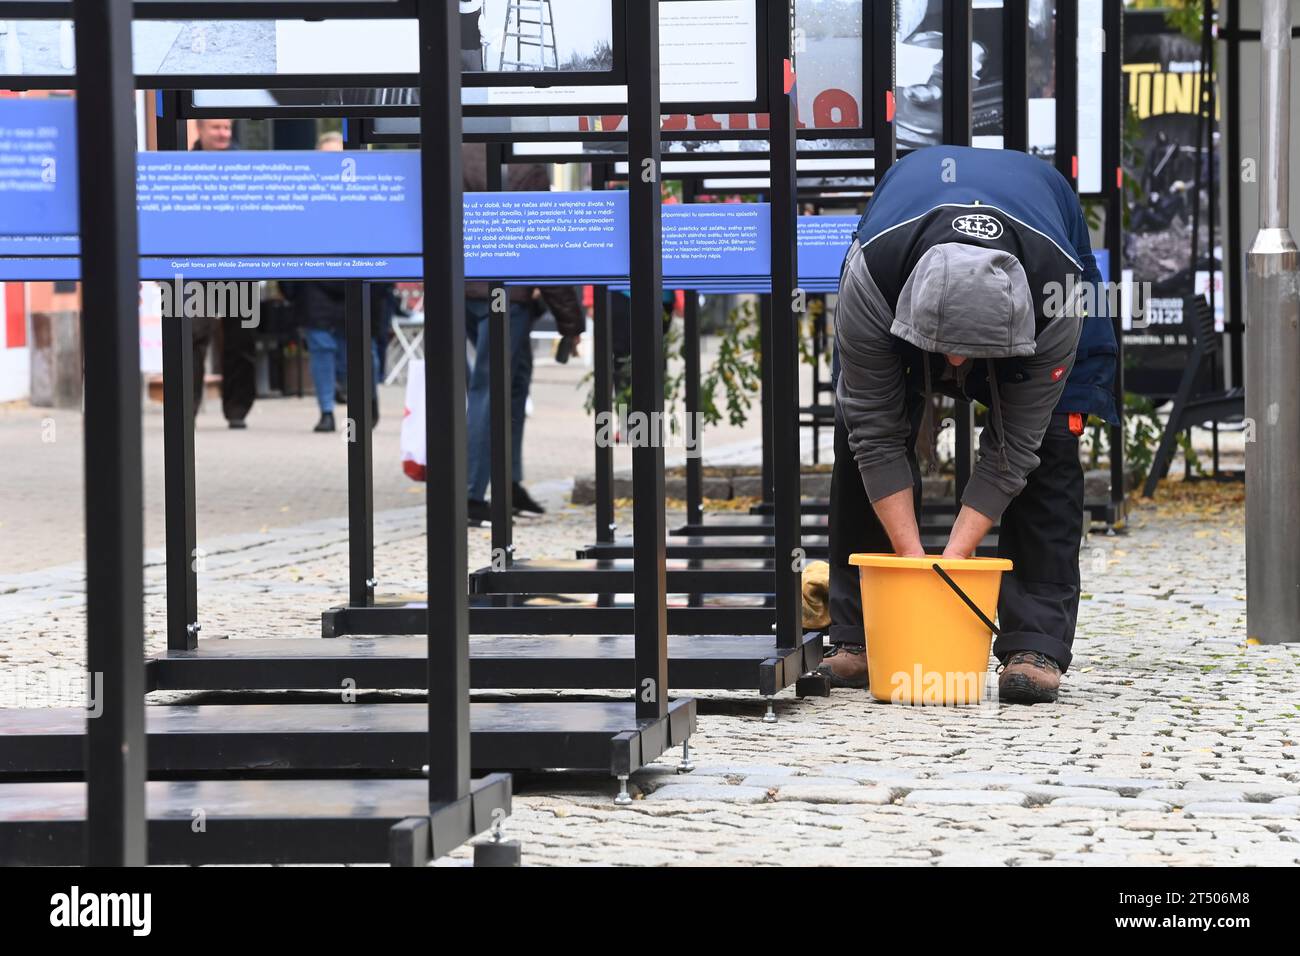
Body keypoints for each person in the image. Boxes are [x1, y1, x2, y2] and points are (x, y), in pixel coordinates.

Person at [818, 145, 1118, 704]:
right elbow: (876, 435)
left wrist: (952, 566)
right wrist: (913, 569)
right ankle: (859, 633)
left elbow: (1013, 449)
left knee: (1051, 438)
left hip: (1043, 255)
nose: (956, 371)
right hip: (898, 264)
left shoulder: (1059, 296)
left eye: (970, 357)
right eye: (946, 355)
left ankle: (1035, 643)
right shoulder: (872, 277)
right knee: (856, 427)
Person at [462, 143, 585, 527]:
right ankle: (471, 494)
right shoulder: (525, 162)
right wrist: (571, 323)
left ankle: (508, 482)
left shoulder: (455, 148)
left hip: (462, 289)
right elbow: (541, 242)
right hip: (506, 295)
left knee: (513, 383)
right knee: (490, 387)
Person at [189, 118, 257, 428]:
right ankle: (184, 409)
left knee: (240, 344)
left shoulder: (245, 167)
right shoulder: (181, 168)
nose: (222, 134)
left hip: (238, 267)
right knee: (189, 340)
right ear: (200, 130)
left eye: (227, 128)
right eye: (216, 128)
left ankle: (237, 410)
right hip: (191, 269)